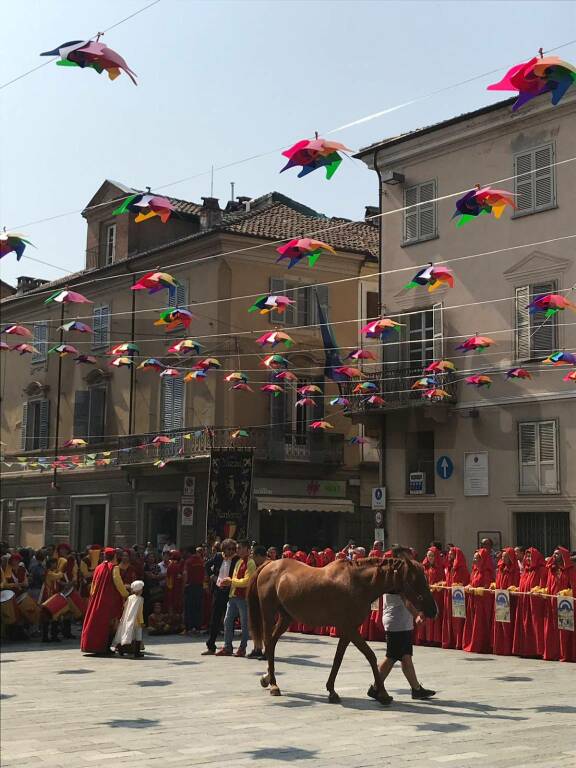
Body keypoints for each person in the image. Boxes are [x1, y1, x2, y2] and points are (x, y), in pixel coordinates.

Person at [371, 546, 436, 704]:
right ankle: (375, 688)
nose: (410, 557)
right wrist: (417, 616)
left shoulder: (398, 573)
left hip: (401, 621)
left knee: (406, 656)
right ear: (399, 556)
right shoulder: (394, 575)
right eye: (406, 554)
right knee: (392, 656)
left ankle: (416, 689)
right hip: (396, 621)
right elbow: (406, 599)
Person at [80, 547, 129, 654]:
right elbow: (118, 583)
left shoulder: (98, 567)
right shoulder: (114, 568)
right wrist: (126, 594)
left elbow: (93, 584)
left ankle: (95, 645)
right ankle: (106, 647)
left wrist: (93, 596)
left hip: (97, 598)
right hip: (110, 600)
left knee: (98, 621)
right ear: (114, 556)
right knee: (111, 623)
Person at [216, 539, 256, 657]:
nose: (236, 550)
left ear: (247, 549)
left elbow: (248, 581)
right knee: (227, 621)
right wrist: (228, 583)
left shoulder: (250, 563)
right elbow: (235, 579)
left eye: (239, 548)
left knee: (244, 624)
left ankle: (242, 648)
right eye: (236, 548)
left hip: (243, 597)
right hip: (233, 596)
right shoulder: (238, 562)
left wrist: (230, 582)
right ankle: (227, 647)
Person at [202, 539, 239, 655]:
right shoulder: (218, 557)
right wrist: (212, 576)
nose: (232, 551)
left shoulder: (236, 559)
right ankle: (211, 645)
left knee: (230, 619)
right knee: (215, 618)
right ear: (224, 549)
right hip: (218, 590)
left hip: (230, 591)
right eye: (229, 549)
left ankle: (228, 645)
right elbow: (207, 565)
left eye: (234, 549)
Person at [512, 547, 547, 658]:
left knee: (535, 625)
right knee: (523, 624)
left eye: (530, 556)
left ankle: (537, 650)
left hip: (536, 604)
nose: (528, 558)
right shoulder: (526, 571)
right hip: (524, 603)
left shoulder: (541, 570)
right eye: (527, 556)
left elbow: (543, 586)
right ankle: (525, 649)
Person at [543, 546, 576, 662]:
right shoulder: (551, 570)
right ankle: (554, 653)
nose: (554, 556)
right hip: (552, 605)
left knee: (565, 631)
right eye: (554, 554)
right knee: (552, 630)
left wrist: (567, 592)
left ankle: (566, 654)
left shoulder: (570, 570)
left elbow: (573, 587)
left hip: (565, 606)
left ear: (563, 556)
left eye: (557, 554)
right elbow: (548, 586)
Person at [462, 548, 494, 654]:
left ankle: (480, 645)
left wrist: (474, 589)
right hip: (474, 599)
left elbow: (486, 587)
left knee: (480, 623)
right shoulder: (475, 571)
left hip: (482, 602)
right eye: (474, 558)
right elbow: (472, 582)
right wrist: (469, 586)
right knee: (472, 621)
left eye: (476, 558)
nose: (474, 560)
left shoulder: (487, 572)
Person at [492, 546, 521, 656]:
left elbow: (516, 584)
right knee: (500, 624)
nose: (503, 559)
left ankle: (508, 648)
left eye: (505, 556)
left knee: (509, 625)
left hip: (510, 601)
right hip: (500, 600)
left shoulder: (515, 570)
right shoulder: (500, 569)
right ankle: (500, 647)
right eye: (502, 556)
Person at [442, 546, 470, 650]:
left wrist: (458, 585)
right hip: (449, 597)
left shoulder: (462, 569)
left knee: (458, 620)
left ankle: (458, 641)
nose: (449, 556)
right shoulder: (449, 568)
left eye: (451, 554)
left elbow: (465, 582)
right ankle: (450, 640)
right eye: (449, 554)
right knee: (449, 618)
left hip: (458, 598)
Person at [112, 580, 145, 658]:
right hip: (137, 622)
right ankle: (137, 653)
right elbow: (139, 612)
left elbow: (125, 607)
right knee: (138, 637)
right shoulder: (140, 599)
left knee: (126, 634)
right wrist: (141, 622)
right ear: (140, 590)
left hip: (128, 620)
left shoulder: (130, 597)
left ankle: (121, 649)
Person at [247, 545, 269, 659]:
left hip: (265, 602)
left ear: (259, 556)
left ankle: (267, 649)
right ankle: (258, 647)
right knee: (257, 624)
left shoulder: (269, 567)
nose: (252, 559)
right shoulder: (260, 567)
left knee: (266, 625)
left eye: (253, 556)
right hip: (258, 600)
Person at [182, 546, 205, 635]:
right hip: (199, 587)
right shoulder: (201, 561)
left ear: (188, 553)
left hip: (190, 586)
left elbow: (185, 574)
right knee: (198, 607)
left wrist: (184, 587)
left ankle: (189, 628)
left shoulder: (188, 562)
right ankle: (197, 627)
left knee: (189, 608)